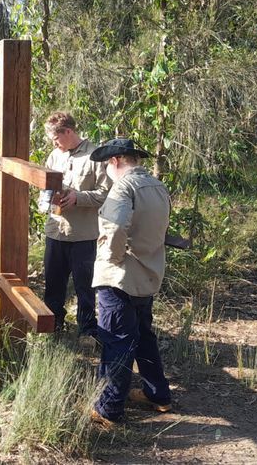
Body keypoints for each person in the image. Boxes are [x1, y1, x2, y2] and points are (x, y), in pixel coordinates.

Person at [87, 138, 173, 427]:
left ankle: (109, 408)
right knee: (144, 337)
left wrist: (110, 259)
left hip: (120, 277)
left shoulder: (122, 187)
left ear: (115, 161)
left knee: (117, 341)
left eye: (106, 165)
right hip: (148, 274)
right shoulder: (158, 187)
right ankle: (157, 394)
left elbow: (115, 228)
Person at [42, 112, 111, 337]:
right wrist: (46, 199)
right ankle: (53, 327)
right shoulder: (54, 156)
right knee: (53, 285)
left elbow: (106, 193)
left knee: (85, 287)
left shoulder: (95, 156)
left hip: (83, 235)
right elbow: (46, 188)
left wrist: (77, 198)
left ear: (68, 132)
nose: (54, 144)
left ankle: (87, 331)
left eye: (56, 138)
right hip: (56, 231)